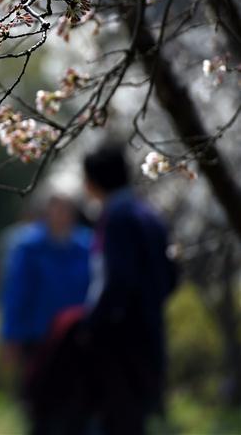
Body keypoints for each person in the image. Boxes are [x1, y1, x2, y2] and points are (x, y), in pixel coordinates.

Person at [80, 144, 177, 434]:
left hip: (120, 340)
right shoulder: (148, 213)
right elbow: (171, 275)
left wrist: (92, 324)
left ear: (93, 181)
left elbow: (117, 280)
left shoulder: (116, 218)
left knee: (117, 421)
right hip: (149, 333)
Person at [0, 194, 92, 434]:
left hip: (77, 340)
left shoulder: (86, 245)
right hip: (38, 339)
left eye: (66, 209)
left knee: (78, 407)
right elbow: (15, 293)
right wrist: (10, 336)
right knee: (41, 407)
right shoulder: (28, 246)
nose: (61, 215)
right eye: (56, 209)